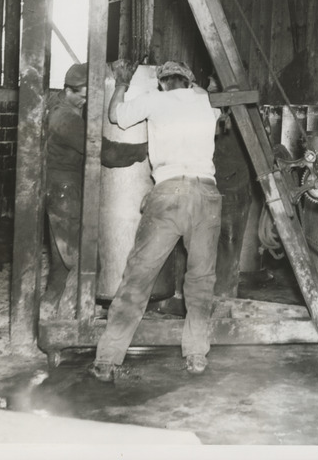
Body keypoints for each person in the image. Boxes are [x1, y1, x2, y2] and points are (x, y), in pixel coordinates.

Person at [89, 60, 223, 382]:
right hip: (207, 194)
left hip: (168, 192)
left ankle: (107, 360)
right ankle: (195, 355)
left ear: (162, 83)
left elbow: (115, 117)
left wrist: (121, 82)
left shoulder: (155, 99)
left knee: (138, 277)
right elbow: (219, 109)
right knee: (201, 279)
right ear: (189, 82)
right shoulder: (206, 99)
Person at [43, 62, 147, 320]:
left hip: (58, 191)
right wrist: (142, 149)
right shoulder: (65, 119)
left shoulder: (56, 106)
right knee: (87, 263)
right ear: (69, 90)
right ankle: (74, 321)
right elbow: (104, 152)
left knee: (60, 265)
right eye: (84, 96)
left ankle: (46, 316)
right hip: (65, 194)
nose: (87, 101)